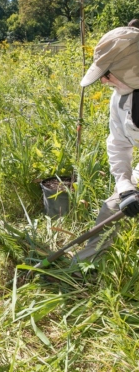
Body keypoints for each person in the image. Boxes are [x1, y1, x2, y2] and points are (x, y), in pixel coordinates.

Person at [72, 26, 139, 264]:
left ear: (127, 68)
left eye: (107, 73)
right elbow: (118, 144)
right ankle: (83, 266)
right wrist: (125, 186)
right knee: (111, 208)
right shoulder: (119, 99)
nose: (102, 80)